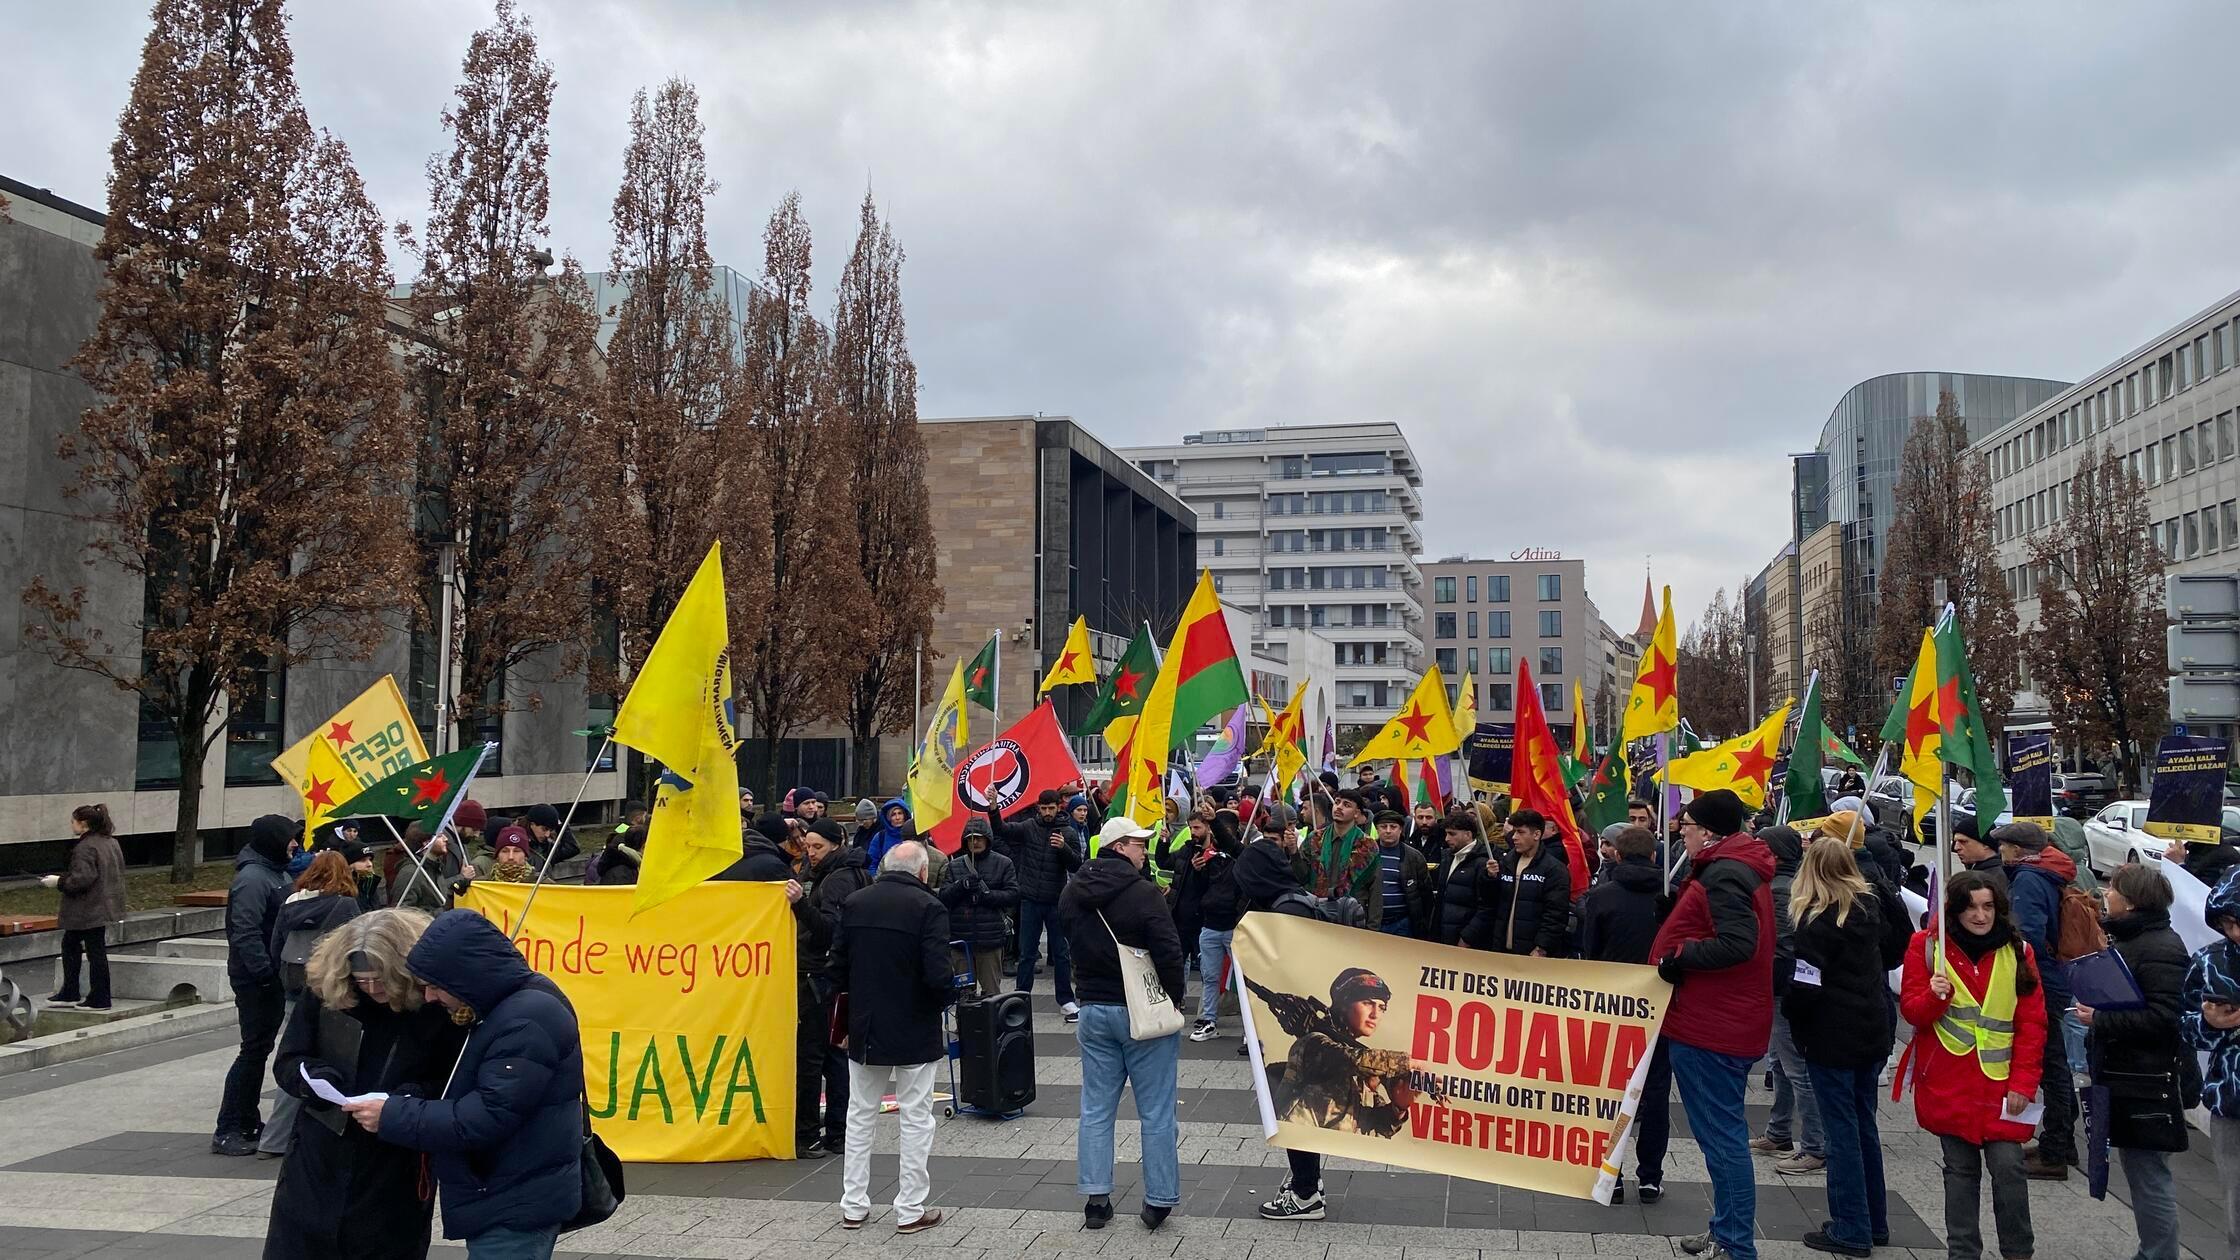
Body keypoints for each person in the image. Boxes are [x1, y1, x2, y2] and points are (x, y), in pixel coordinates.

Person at [345, 909, 583, 1259]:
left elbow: (485, 1117)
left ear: (464, 976)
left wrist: (393, 1114)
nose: (428, 997)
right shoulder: (507, 1006)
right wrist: (416, 1096)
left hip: (513, 1198)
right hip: (507, 1188)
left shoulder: (525, 1020)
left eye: (434, 986)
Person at [262, 908, 464, 1260]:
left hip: (395, 1154)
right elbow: (289, 1060)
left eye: (380, 979)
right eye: (362, 979)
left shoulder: (434, 1007)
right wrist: (314, 1079)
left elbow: (451, 1081)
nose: (371, 988)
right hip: (320, 1149)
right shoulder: (327, 993)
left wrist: (403, 1101)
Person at [1649, 789, 1775, 1260]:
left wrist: (1679, 954)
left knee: (1722, 1141)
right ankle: (1725, 1229)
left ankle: (1736, 1245)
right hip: (1721, 1017)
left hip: (1712, 1025)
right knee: (1719, 1137)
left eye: (1687, 824)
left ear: (1708, 831)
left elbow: (1739, 942)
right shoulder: (1734, 866)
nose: (1681, 830)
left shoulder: (1724, 872)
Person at [1899, 871, 2046, 1260]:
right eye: (1971, 908)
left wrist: (2024, 1083)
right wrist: (1934, 997)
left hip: (2002, 1086)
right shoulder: (1927, 947)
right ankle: (1962, 1253)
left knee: (2009, 1168)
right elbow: (1913, 1012)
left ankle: (2018, 1252)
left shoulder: (2019, 952)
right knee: (1959, 1171)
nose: (1980, 916)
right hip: (1949, 1082)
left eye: (1988, 907)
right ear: (1954, 910)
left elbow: (2032, 1023)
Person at [1061, 817, 1187, 1230]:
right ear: (1118, 847)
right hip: (1141, 1012)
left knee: (1096, 1108)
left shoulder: (1072, 892)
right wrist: (1173, 998)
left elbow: (1068, 943)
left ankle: (1096, 1200)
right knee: (1156, 1111)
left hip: (1094, 1008)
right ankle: (1158, 1202)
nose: (1144, 850)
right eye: (1137, 843)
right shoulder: (1144, 893)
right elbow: (1169, 950)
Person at [829, 842, 954, 1235]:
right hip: (914, 1025)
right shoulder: (929, 908)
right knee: (916, 1116)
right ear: (921, 872)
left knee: (860, 1113)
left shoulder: (855, 902)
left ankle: (853, 1205)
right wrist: (947, 999)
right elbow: (938, 975)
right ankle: (910, 1207)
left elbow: (837, 966)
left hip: (865, 1025)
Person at [1783, 839, 1899, 1257]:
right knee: (1864, 1125)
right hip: (1871, 1027)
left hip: (1832, 1034)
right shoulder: (1868, 909)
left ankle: (1851, 1227)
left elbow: (1806, 986)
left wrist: (1795, 1021)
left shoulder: (1815, 921)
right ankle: (1875, 1220)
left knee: (1841, 1133)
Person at [2078, 864, 2191, 1260]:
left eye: (2113, 889)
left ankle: (2159, 1254)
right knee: (2140, 1171)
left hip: (2146, 1081)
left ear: (2131, 901)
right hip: (2127, 1075)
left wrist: (2101, 1018)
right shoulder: (2137, 939)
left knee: (2148, 1176)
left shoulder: (2160, 948)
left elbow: (2165, 1017)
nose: (2106, 892)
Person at [1236, 817, 1339, 1223]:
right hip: (1303, 1033)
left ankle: (1305, 1194)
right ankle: (1307, 1180)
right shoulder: (1289, 900)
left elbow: (1292, 976)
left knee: (1294, 1104)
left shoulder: (1287, 911)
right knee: (1297, 1104)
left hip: (1304, 1037)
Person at [260, 851, 368, 1158]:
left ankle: (274, 1139)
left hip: (293, 985)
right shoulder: (346, 904)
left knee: (295, 1059)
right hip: (331, 989)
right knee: (336, 1059)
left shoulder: (291, 902)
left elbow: (275, 945)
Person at [1991, 821, 2080, 1180]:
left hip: (2040, 979)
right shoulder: (2046, 872)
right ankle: (2059, 1144)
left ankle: (2056, 1148)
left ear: (2017, 849)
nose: (2000, 851)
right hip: (2053, 977)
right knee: (2054, 1062)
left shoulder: (2029, 878)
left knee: (2051, 1064)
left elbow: (2026, 935)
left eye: (2004, 845)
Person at [214, 814, 297, 1157]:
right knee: (253, 1050)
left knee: (259, 1049)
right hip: (256, 980)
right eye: (291, 837)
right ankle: (229, 1127)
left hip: (269, 977)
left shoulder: (275, 872)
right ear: (274, 840)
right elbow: (245, 931)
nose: (296, 843)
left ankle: (247, 1120)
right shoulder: (252, 878)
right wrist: (264, 974)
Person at [1746, 825, 1825, 1174]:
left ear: (1775, 854)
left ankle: (1815, 1146)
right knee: (1779, 1062)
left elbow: (1784, 945)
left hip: (1783, 989)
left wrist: (1772, 984)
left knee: (1795, 1067)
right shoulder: (1785, 883)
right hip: (1783, 986)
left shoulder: (1780, 890)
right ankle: (1779, 1131)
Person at [799, 821, 869, 1158]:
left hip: (820, 977)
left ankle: (812, 1134)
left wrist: (800, 904)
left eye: (818, 848)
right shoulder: (845, 872)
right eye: (808, 847)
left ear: (836, 844)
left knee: (816, 1057)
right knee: (833, 1056)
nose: (811, 854)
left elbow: (828, 931)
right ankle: (837, 1134)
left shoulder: (838, 879)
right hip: (833, 976)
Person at [2181, 867, 2240, 1260]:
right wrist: (2208, 1022)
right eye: (2228, 923)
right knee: (2237, 1210)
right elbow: (2183, 1025)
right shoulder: (2209, 960)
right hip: (2232, 1102)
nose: (2235, 932)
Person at [995, 789, 1085, 1022]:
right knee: (1026, 953)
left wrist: (1063, 847)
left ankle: (1066, 1000)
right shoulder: (1028, 828)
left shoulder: (1067, 831)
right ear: (1038, 808)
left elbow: (1077, 865)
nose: (1047, 813)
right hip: (1030, 899)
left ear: (1058, 807)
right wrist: (993, 807)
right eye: (1043, 808)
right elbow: (1002, 830)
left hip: (1056, 900)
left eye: (1051, 808)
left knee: (1061, 953)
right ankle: (1021, 996)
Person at [43, 803, 125, 1011]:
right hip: (103, 905)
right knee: (86, 948)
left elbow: (82, 879)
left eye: (73, 821)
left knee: (81, 949)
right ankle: (76, 993)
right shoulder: (110, 842)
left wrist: (58, 882)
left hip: (86, 908)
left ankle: (95, 997)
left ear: (83, 824)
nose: (71, 825)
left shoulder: (85, 847)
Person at [1165, 810, 1238, 1039]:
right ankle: (1208, 1019)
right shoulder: (1202, 855)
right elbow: (1199, 889)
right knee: (1209, 975)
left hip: (1233, 925)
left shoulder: (1239, 855)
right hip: (1209, 924)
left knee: (1241, 980)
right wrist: (1199, 871)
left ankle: (1250, 1024)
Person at [1472, 807, 1571, 955]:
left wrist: (1541, 947)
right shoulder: (1505, 862)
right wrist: (1489, 878)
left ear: (1536, 834)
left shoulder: (1554, 870)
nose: (1514, 837)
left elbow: (1555, 914)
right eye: (1514, 832)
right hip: (1500, 948)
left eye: (1520, 832)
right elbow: (1490, 902)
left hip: (1532, 954)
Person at [940, 818, 1019, 998]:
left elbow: (1013, 894)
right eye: (970, 838)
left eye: (978, 838)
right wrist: (961, 885)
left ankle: (991, 1027)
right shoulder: (955, 865)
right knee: (964, 995)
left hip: (989, 941)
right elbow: (944, 897)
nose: (974, 842)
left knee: (991, 994)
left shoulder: (1003, 863)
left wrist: (987, 897)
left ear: (987, 839)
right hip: (961, 942)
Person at [1367, 810, 1435, 937]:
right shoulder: (1367, 854)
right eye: (1383, 826)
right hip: (1371, 922)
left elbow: (1426, 894)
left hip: (1403, 923)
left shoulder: (1414, 857)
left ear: (1400, 830)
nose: (1388, 831)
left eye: (1393, 827)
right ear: (1377, 829)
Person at [1431, 807, 1493, 946]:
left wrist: (1467, 937)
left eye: (1452, 834)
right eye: (1446, 834)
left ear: (1468, 834)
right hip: (1443, 935)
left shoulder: (1484, 862)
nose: (1447, 839)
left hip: (1465, 940)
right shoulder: (1448, 856)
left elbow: (1486, 906)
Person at [1306, 789, 1377, 910]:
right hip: (1316, 908)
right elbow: (1302, 876)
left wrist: (1372, 926)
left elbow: (1374, 888)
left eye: (1346, 805)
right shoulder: (1315, 838)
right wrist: (1293, 852)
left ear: (1356, 813)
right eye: (1337, 802)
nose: (1339, 807)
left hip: (1351, 912)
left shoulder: (1367, 844)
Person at [388, 821, 463, 912]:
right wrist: (440, 913)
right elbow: (403, 914)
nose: (446, 839)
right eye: (439, 836)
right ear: (426, 842)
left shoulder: (435, 866)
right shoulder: (411, 873)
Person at [1950, 816, 2008, 895]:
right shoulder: (1980, 871)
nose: (1956, 848)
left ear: (1985, 844)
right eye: (1955, 842)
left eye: (1963, 842)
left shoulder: (1998, 879)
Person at [866, 797, 917, 874]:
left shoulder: (914, 835)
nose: (897, 818)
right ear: (888, 818)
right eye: (893, 814)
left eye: (900, 813)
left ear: (905, 815)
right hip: (885, 881)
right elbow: (871, 863)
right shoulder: (880, 837)